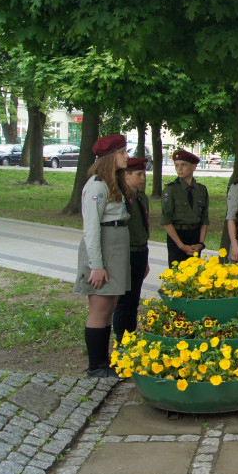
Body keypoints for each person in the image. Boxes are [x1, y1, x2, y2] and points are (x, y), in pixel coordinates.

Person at [74, 134, 130, 377]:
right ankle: (96, 367)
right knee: (99, 309)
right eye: (121, 153)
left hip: (115, 251)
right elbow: (92, 228)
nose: (126, 156)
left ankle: (103, 363)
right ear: (109, 157)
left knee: (109, 309)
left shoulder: (112, 183)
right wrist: (96, 265)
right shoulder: (97, 185)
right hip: (103, 252)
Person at [113, 156, 149, 344]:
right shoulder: (119, 198)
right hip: (125, 253)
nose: (143, 178)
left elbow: (143, 229)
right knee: (124, 300)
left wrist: (146, 258)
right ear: (126, 175)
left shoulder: (141, 197)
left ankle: (131, 336)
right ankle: (121, 339)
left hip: (140, 252)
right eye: (139, 174)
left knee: (134, 298)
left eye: (143, 173)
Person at [161, 150, 209, 266]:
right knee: (176, 277)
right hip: (177, 236)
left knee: (195, 277)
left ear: (193, 166)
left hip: (195, 236)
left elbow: (204, 219)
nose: (179, 169)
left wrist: (201, 243)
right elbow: (166, 220)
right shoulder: (171, 189)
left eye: (184, 165)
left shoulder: (201, 190)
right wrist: (181, 245)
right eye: (177, 165)